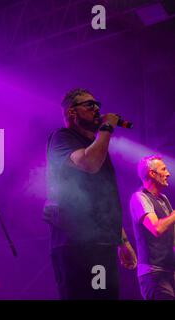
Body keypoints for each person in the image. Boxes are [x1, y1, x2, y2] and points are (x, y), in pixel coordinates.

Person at [44, 88, 137, 299]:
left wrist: (123, 242)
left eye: (98, 105)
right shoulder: (62, 138)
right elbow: (89, 163)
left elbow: (103, 202)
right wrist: (106, 127)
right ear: (72, 113)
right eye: (89, 105)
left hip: (101, 245)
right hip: (77, 246)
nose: (97, 109)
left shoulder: (96, 146)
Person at [129, 155, 175, 300]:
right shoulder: (139, 197)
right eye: (164, 169)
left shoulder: (164, 199)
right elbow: (157, 229)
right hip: (153, 274)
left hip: (169, 272)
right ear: (152, 173)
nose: (168, 173)